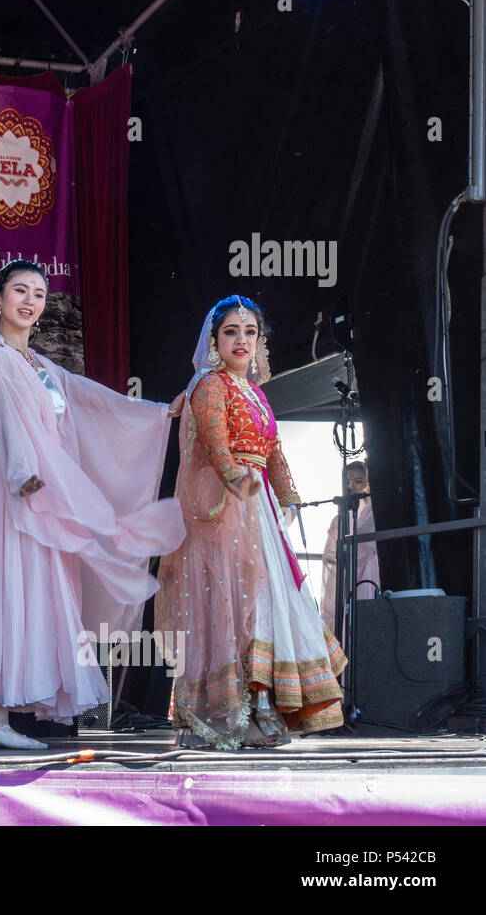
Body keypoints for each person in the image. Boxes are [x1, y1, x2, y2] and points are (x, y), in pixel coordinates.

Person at [0, 260, 187, 749]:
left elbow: (92, 400)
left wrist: (155, 413)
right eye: (19, 291)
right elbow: (11, 425)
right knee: (12, 591)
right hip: (18, 487)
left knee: (41, 592)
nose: (29, 301)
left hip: (45, 486)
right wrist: (24, 475)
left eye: (39, 294)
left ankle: (7, 712)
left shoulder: (39, 365)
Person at [157, 295, 347, 749]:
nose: (241, 340)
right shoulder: (210, 385)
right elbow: (216, 444)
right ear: (214, 339)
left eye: (250, 332)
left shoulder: (257, 393)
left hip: (257, 506)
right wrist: (238, 484)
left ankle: (263, 704)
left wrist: (290, 496)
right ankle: (226, 713)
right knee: (236, 607)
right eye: (231, 332)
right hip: (227, 508)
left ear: (260, 340)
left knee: (271, 603)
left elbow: (273, 450)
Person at [320, 460, 380, 632]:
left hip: (369, 574)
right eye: (347, 481)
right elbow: (332, 556)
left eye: (358, 481)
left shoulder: (373, 510)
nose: (350, 486)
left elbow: (363, 545)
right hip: (350, 576)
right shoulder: (346, 516)